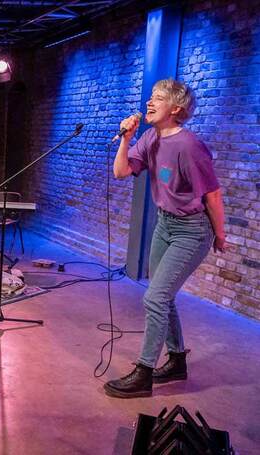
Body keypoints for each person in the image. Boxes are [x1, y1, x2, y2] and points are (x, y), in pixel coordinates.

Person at [104, 78, 226, 398]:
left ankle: (144, 372)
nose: (150, 102)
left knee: (155, 298)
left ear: (176, 109)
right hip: (164, 226)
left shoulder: (189, 145)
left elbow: (212, 195)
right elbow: (120, 172)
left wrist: (220, 236)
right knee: (163, 296)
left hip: (191, 230)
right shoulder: (149, 138)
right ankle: (176, 361)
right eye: (152, 96)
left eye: (159, 98)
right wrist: (126, 140)